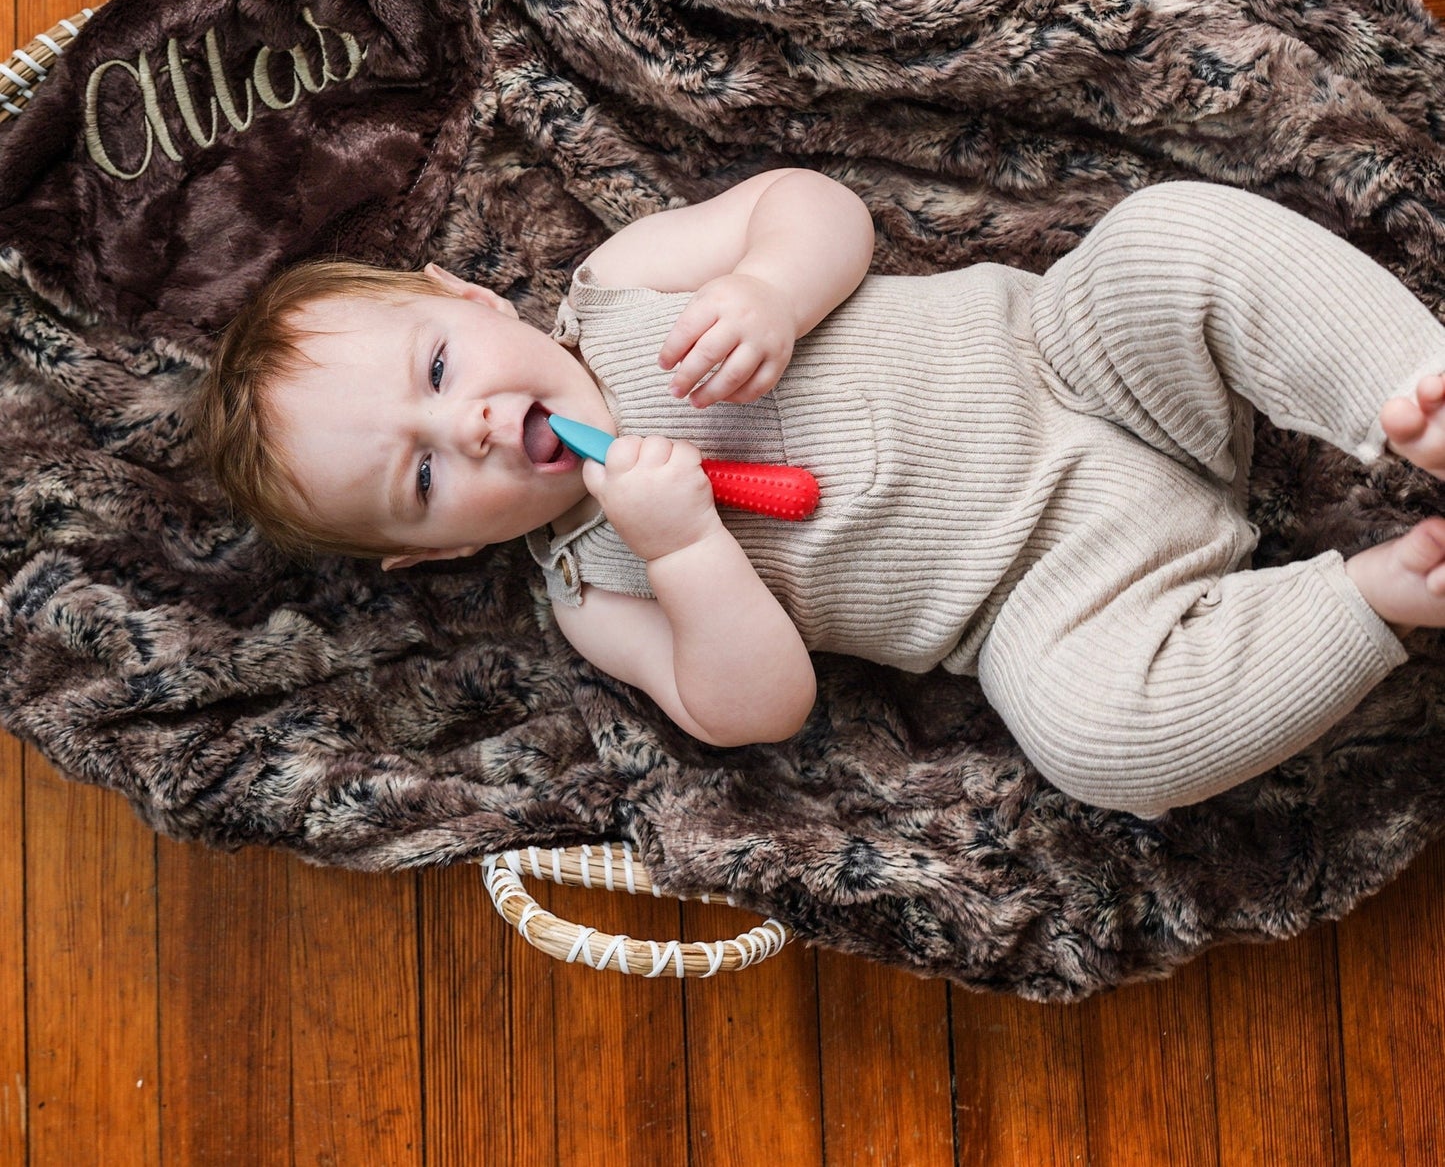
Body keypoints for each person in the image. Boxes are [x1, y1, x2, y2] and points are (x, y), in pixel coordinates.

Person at [196, 168, 1445, 816]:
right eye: (418, 475)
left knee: (1170, 238)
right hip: (1043, 594)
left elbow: (815, 207)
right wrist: (681, 546)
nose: (464, 424)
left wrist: (771, 291)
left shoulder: (623, 285)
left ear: (467, 299)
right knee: (1093, 742)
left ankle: (1407, 388)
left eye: (436, 366)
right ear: (425, 558)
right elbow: (758, 706)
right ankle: (1378, 597)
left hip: (1073, 364)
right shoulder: (591, 587)